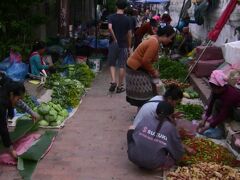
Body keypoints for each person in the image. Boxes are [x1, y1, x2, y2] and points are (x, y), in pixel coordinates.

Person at [127, 101, 195, 170]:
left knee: (131, 128)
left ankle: (138, 154)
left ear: (156, 111)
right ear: (171, 115)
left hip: (132, 156)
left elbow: (136, 134)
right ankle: (152, 163)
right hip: (153, 163)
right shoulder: (170, 127)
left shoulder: (146, 118)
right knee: (171, 157)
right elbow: (178, 152)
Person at [126, 25, 176, 108]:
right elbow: (145, 61)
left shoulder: (154, 38)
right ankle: (143, 115)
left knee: (144, 93)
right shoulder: (154, 42)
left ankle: (142, 113)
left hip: (135, 66)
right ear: (164, 35)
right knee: (145, 94)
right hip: (135, 67)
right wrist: (153, 72)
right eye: (170, 38)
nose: (170, 41)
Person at [0, 80, 37, 159]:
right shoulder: (1, 103)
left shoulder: (8, 89)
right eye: (18, 98)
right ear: (12, 94)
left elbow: (18, 102)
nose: (18, 101)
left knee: (9, 116)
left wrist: (31, 112)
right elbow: (2, 127)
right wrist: (11, 150)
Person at [197, 70, 240, 135]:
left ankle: (219, 128)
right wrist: (204, 119)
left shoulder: (230, 95)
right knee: (217, 102)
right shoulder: (217, 91)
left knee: (223, 110)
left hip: (238, 111)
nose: (213, 90)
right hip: (231, 107)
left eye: (214, 89)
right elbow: (211, 105)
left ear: (222, 87)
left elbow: (223, 114)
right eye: (212, 88)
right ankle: (214, 123)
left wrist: (207, 127)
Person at [107, 0, 132, 93]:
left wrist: (114, 38)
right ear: (125, 8)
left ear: (116, 6)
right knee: (122, 66)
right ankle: (119, 87)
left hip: (113, 44)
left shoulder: (111, 17)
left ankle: (113, 81)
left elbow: (109, 28)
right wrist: (129, 47)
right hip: (123, 45)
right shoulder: (127, 19)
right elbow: (129, 34)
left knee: (112, 63)